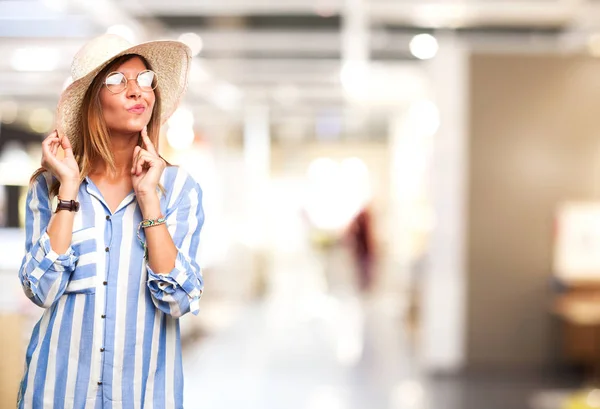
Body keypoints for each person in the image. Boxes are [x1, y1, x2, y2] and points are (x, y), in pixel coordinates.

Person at [17, 33, 204, 408]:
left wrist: (149, 199)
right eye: (118, 80)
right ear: (91, 101)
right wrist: (68, 193)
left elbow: (179, 300)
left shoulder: (179, 188)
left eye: (146, 80)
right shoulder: (50, 186)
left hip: (144, 395)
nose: (138, 91)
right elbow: (42, 290)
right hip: (57, 392)